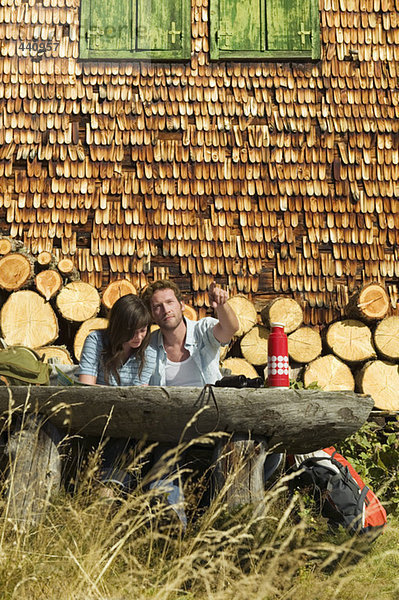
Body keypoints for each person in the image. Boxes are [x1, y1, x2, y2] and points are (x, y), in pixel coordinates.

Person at [140, 279, 239, 528]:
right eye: (157, 307)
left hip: (213, 418)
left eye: (169, 302)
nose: (165, 310)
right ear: (152, 314)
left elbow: (230, 329)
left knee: (235, 452)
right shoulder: (150, 345)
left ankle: (215, 523)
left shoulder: (202, 329)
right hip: (172, 426)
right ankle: (172, 525)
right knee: (163, 459)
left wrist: (222, 306)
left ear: (181, 305)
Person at [78, 294, 156, 494]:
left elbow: (139, 399)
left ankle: (107, 487)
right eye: (132, 332)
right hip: (96, 416)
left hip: (129, 422)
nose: (139, 338)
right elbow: (85, 388)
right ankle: (111, 486)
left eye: (143, 330)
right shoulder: (96, 340)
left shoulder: (149, 353)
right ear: (120, 327)